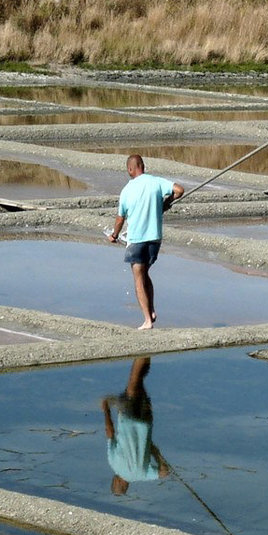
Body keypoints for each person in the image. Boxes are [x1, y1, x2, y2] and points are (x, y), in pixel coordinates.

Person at [108, 154, 184, 329]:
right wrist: (167, 202)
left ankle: (147, 320)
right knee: (145, 273)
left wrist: (114, 235)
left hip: (137, 239)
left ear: (130, 169)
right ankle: (151, 311)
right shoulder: (156, 182)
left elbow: (120, 219)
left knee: (138, 278)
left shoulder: (127, 190)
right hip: (155, 238)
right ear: (143, 166)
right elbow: (179, 190)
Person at [101, 357, 170, 495]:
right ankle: (144, 350)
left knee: (139, 382)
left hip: (145, 423)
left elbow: (164, 472)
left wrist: (154, 452)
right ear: (117, 482)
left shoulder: (143, 475)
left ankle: (148, 352)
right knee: (134, 380)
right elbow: (110, 433)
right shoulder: (114, 465)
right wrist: (106, 409)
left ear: (127, 486)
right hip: (128, 418)